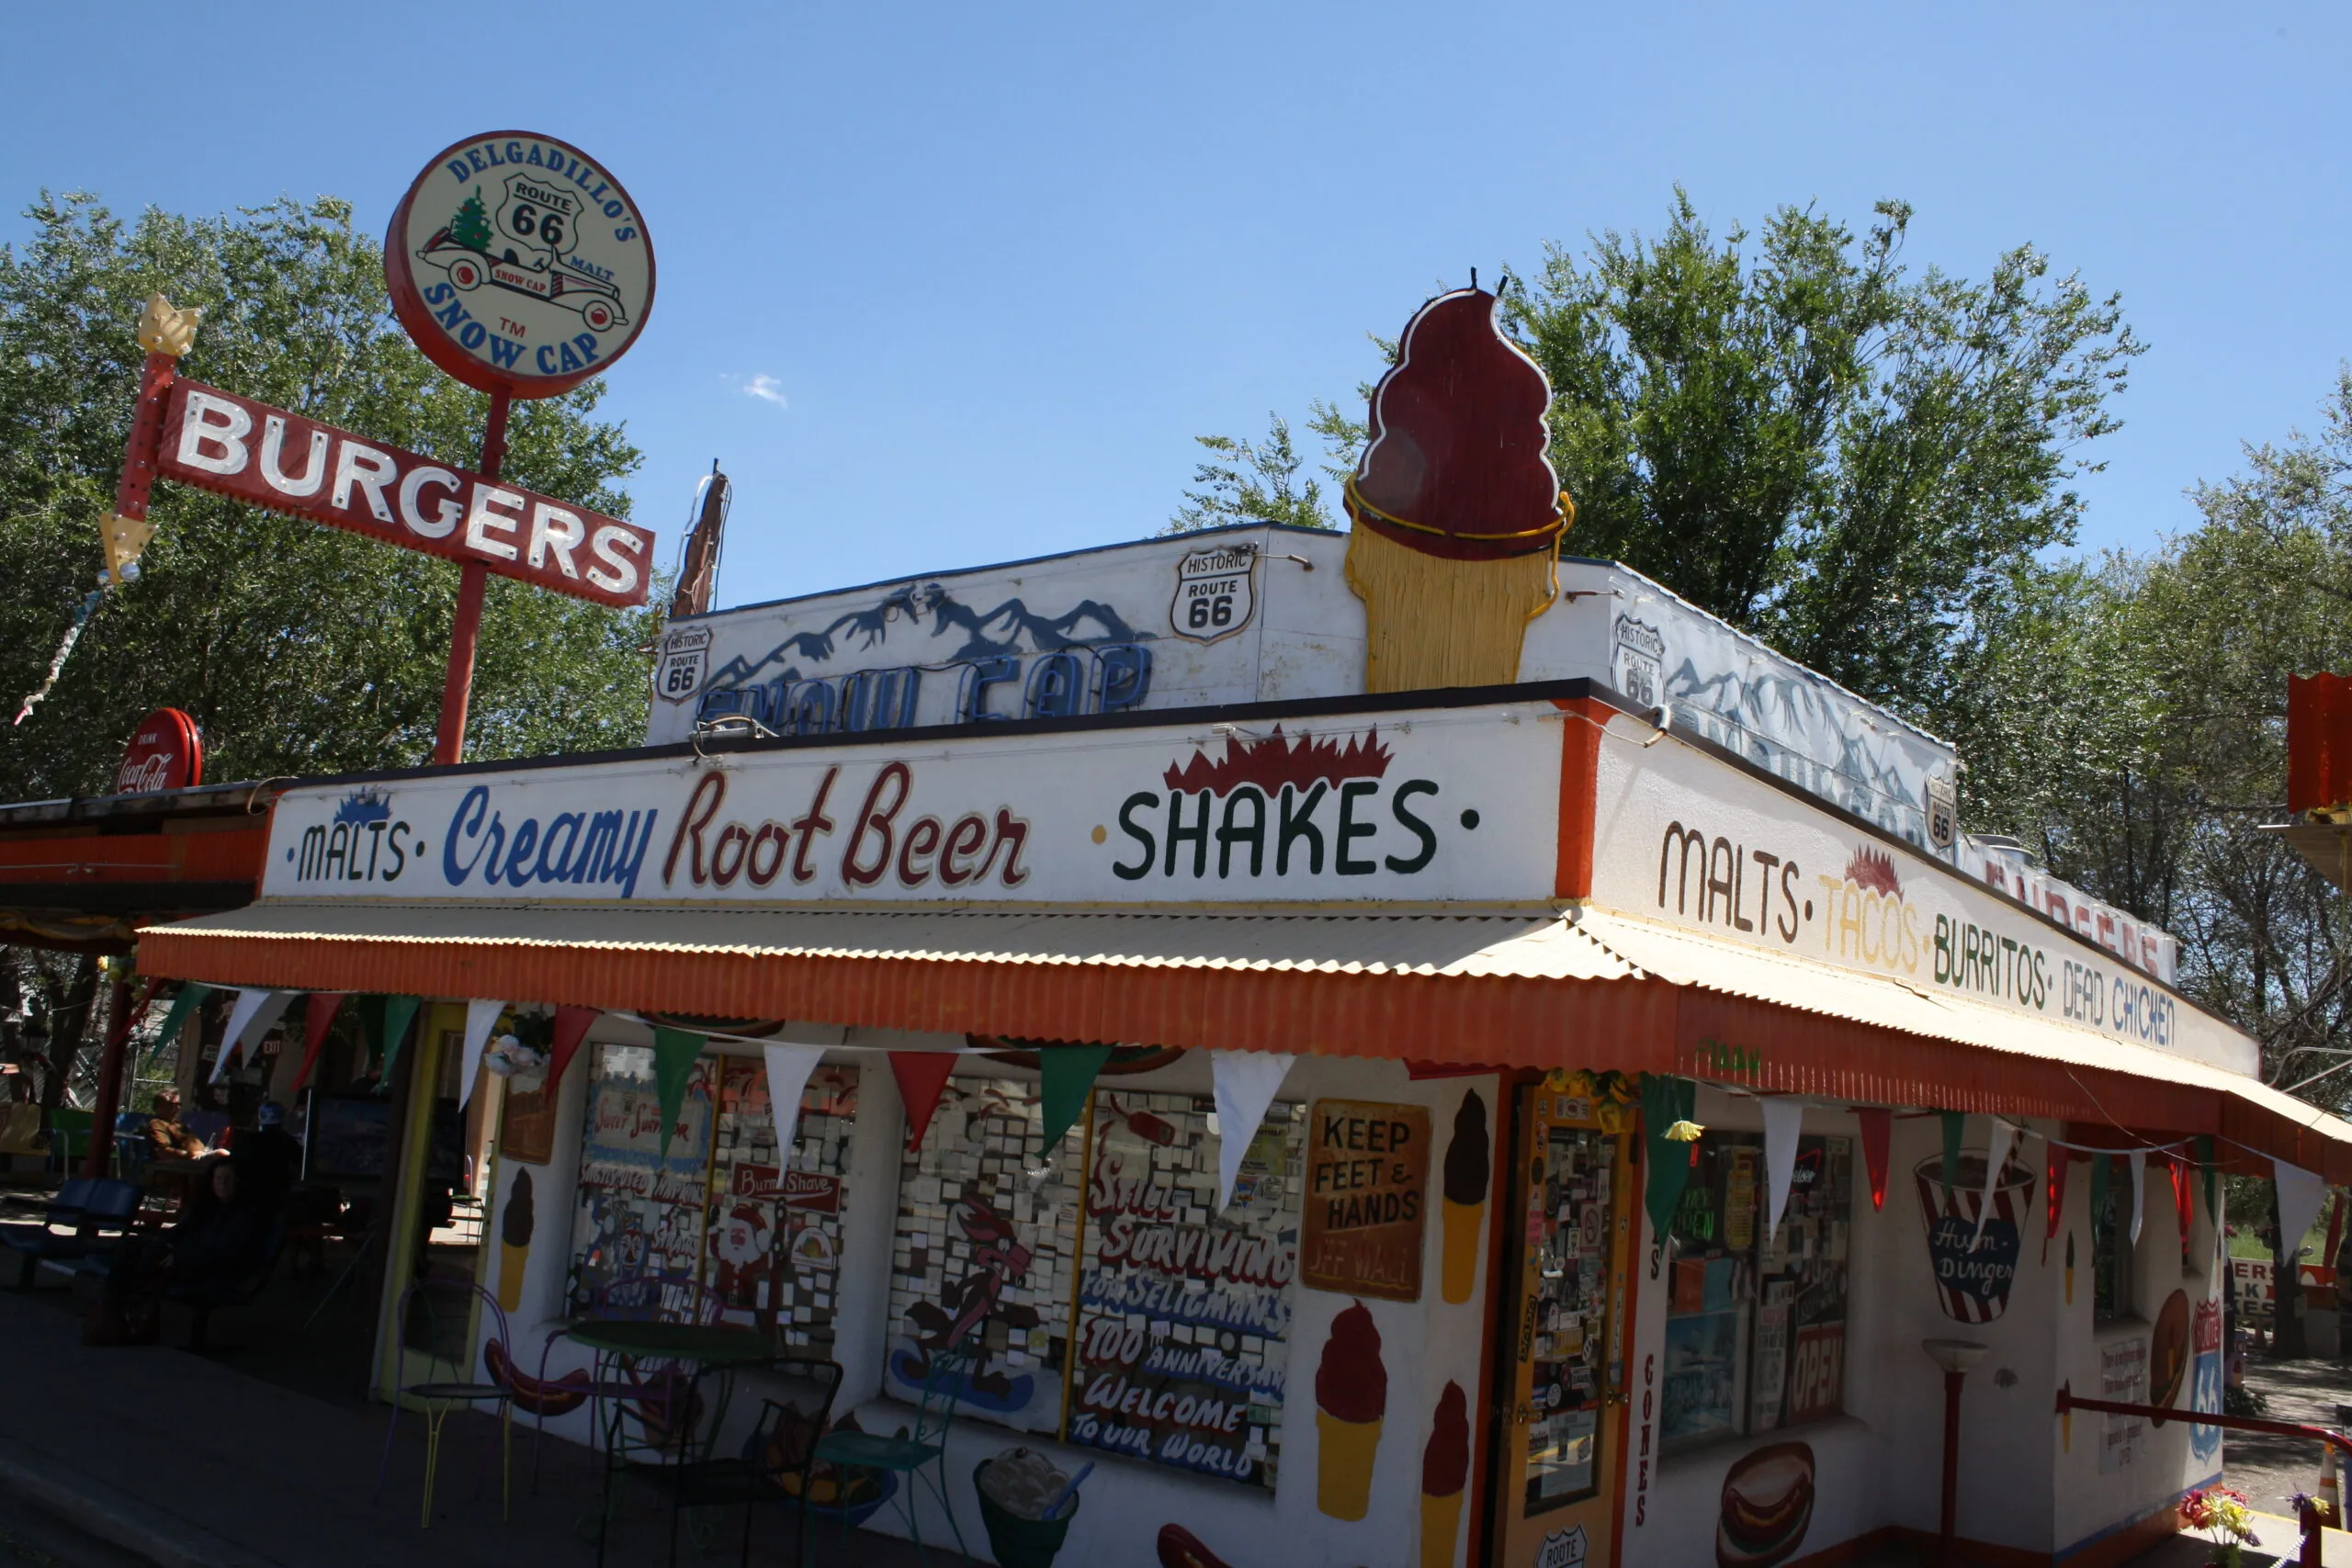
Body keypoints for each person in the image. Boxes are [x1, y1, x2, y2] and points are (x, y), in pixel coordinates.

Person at [87, 1156, 286, 1346]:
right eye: (218, 1179)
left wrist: (181, 1257)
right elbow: (178, 1233)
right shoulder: (206, 1209)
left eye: (228, 1179)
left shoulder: (248, 1216)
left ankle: (129, 1317)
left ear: (239, 1182)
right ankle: (113, 1310)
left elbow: (229, 1251)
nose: (222, 1184)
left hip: (216, 1270)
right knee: (133, 1246)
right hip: (190, 1259)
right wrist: (159, 1243)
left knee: (151, 1258)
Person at [144, 1090, 211, 1160]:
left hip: (201, 1158)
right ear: (160, 1106)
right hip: (185, 1163)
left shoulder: (178, 1124)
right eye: (173, 1105)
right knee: (220, 1154)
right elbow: (163, 1152)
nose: (178, 1108)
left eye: (179, 1104)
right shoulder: (157, 1123)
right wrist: (191, 1154)